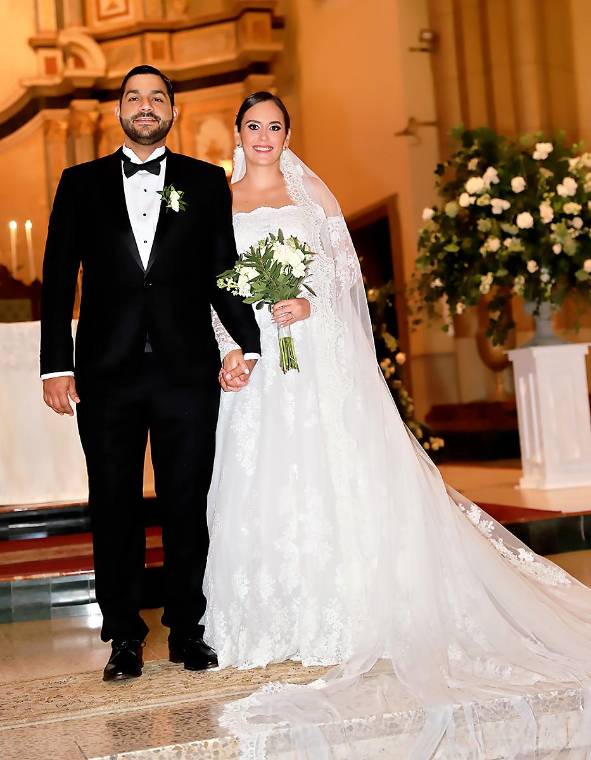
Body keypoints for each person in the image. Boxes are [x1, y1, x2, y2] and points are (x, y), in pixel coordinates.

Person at [203, 91, 591, 757]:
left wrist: (306, 301)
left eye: (274, 126)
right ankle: (270, 621)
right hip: (256, 365)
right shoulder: (219, 202)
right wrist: (229, 349)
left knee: (336, 469)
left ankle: (348, 612)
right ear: (237, 135)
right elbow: (209, 287)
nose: (263, 135)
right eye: (253, 126)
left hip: (317, 355)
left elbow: (341, 276)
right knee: (261, 478)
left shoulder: (311, 195)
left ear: (288, 134)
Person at [40, 65, 260, 682]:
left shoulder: (204, 181)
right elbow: (57, 279)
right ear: (118, 110)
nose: (145, 106)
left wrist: (247, 341)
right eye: (134, 97)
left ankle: (188, 629)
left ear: (172, 111)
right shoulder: (79, 183)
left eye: (156, 98)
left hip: (185, 369)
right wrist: (56, 364)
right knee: (113, 505)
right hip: (104, 372)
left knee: (186, 501)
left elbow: (223, 269)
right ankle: (123, 637)